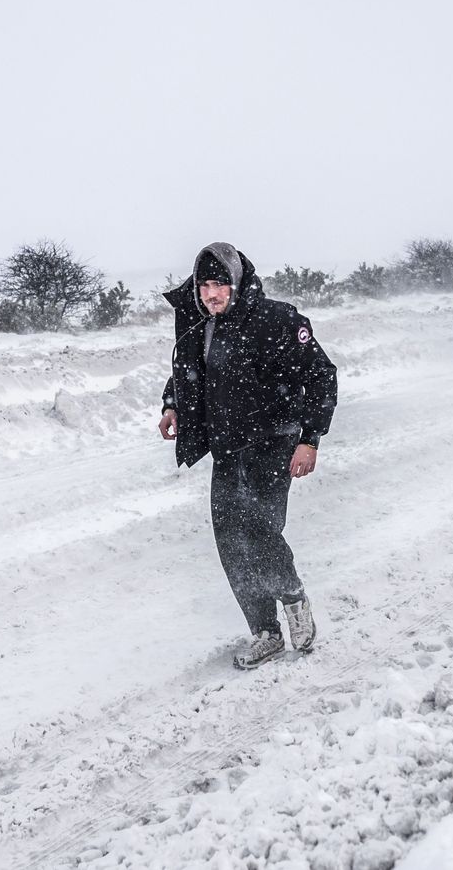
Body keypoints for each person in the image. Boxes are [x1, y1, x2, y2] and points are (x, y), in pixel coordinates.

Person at [158, 242, 337, 670]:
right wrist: (173, 404)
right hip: (227, 447)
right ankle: (265, 631)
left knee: (258, 531)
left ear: (237, 282)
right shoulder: (201, 325)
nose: (210, 294)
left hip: (273, 442)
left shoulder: (277, 321)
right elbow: (187, 371)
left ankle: (291, 596)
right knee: (231, 543)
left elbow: (320, 375)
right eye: (203, 286)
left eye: (219, 284)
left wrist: (310, 439)